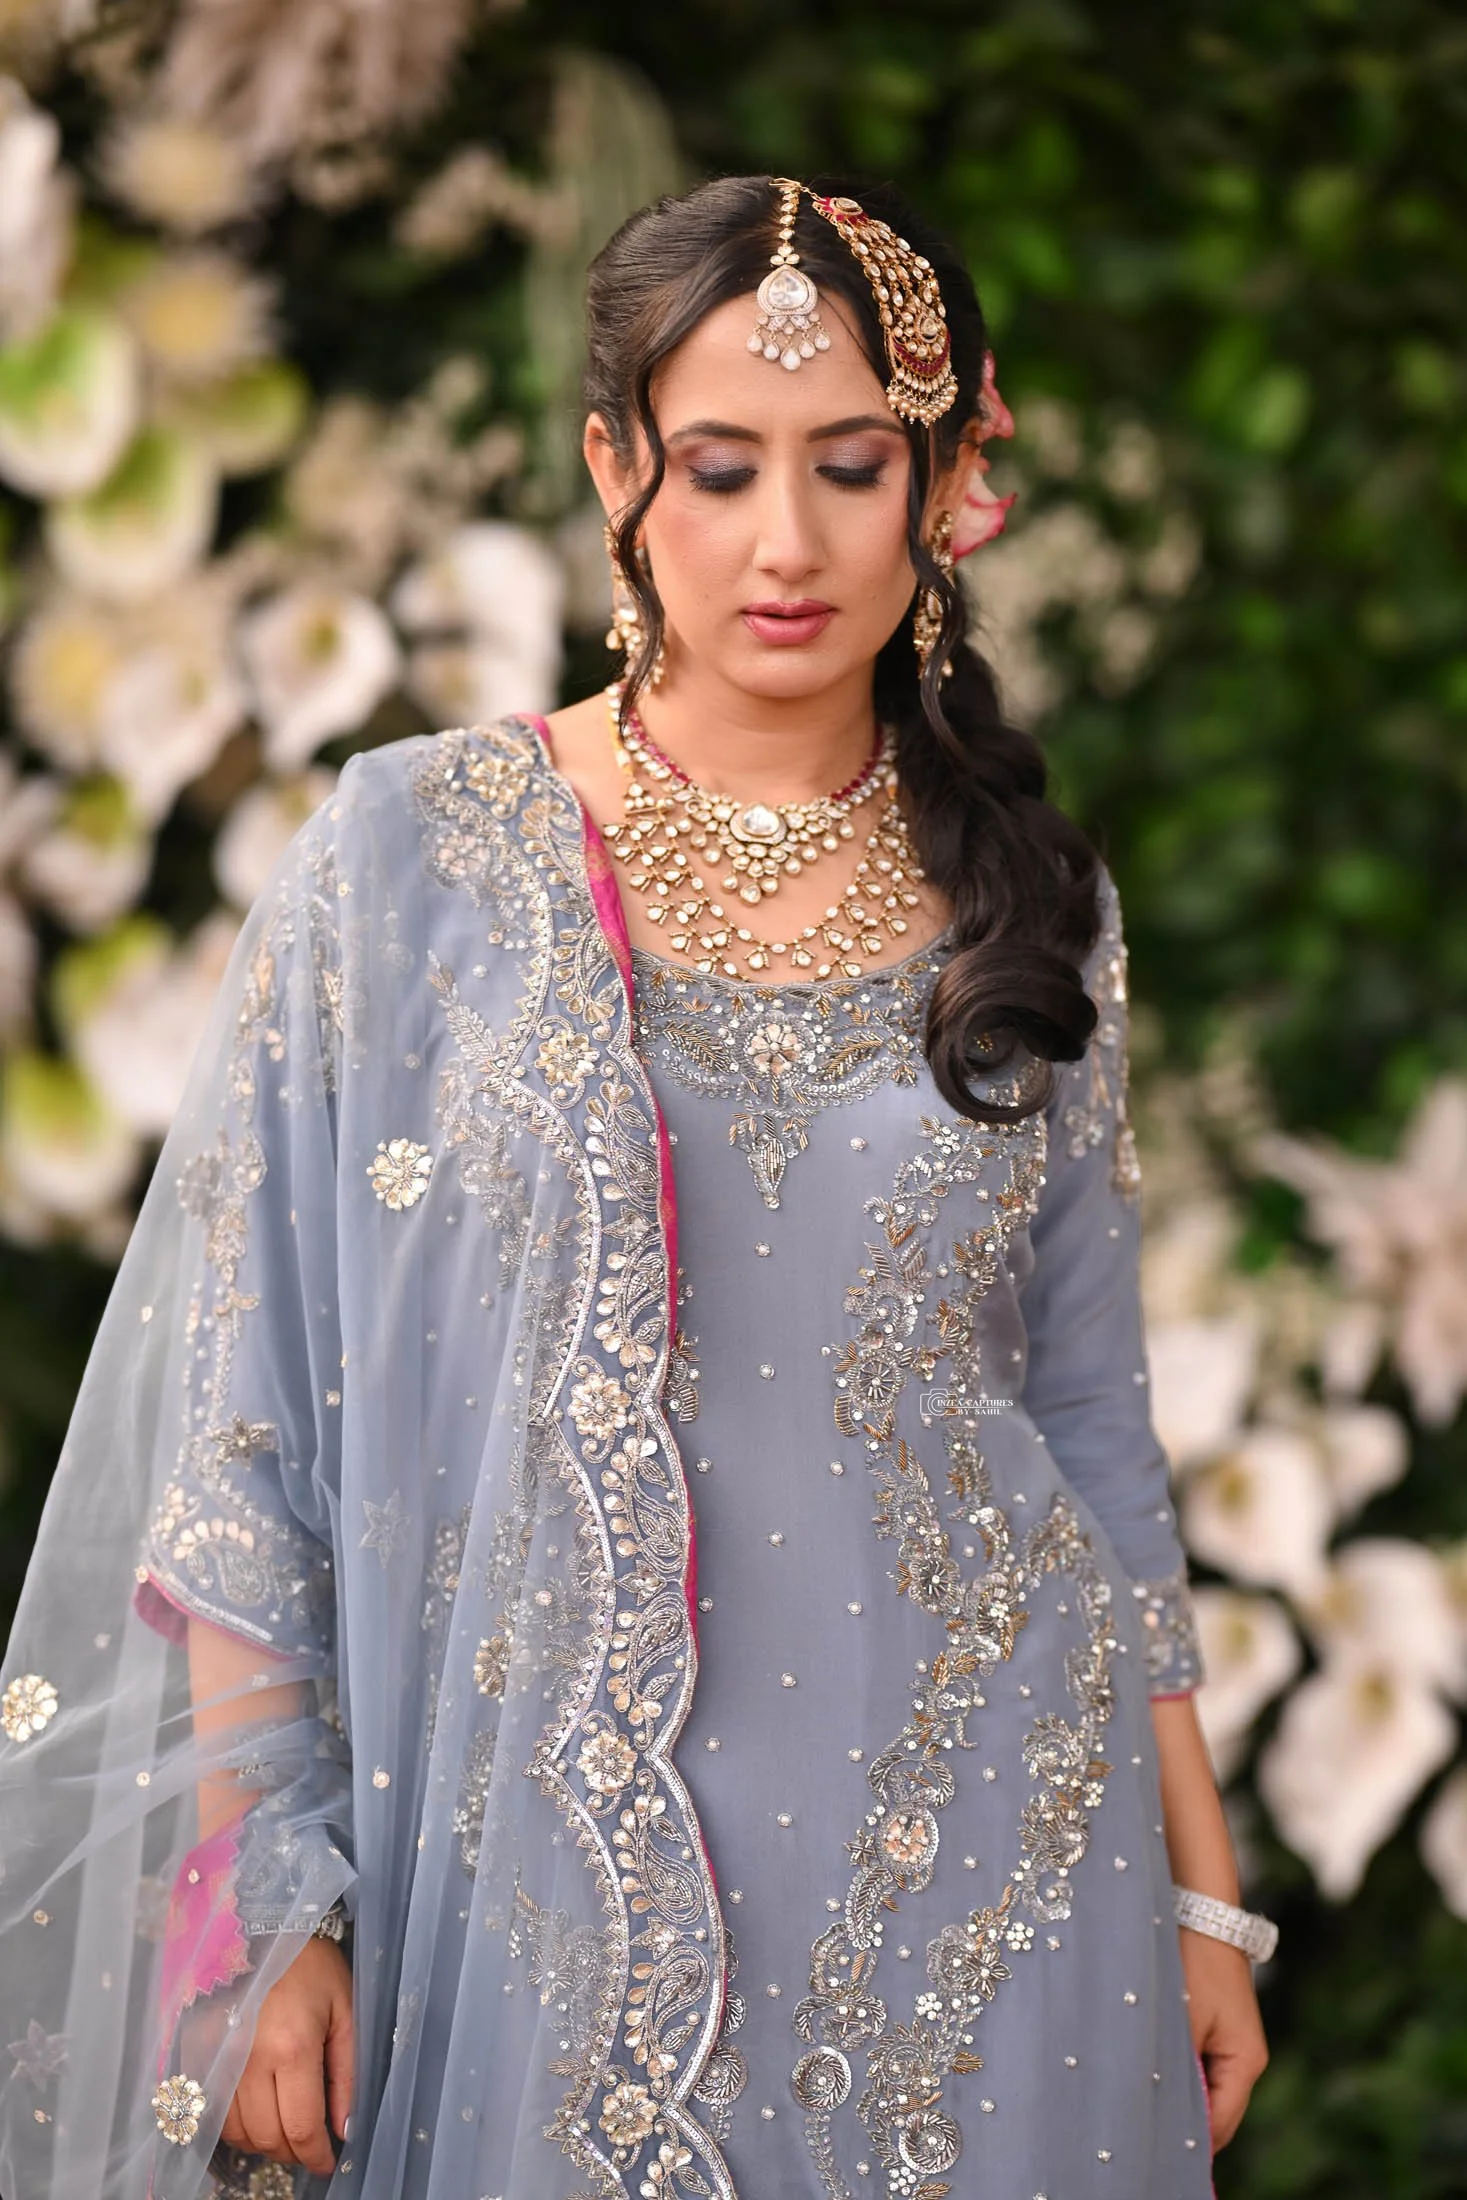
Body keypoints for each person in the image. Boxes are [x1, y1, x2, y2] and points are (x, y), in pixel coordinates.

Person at [0, 172, 1271, 2200]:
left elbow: (1093, 1431)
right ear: (614, 470)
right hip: (545, 1893)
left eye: (853, 466)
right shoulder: (412, 859)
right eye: (719, 467)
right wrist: (263, 1893)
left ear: (943, 484)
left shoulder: (1030, 902)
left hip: (1004, 1884)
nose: (786, 542)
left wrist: (1203, 1897)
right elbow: (250, 1419)